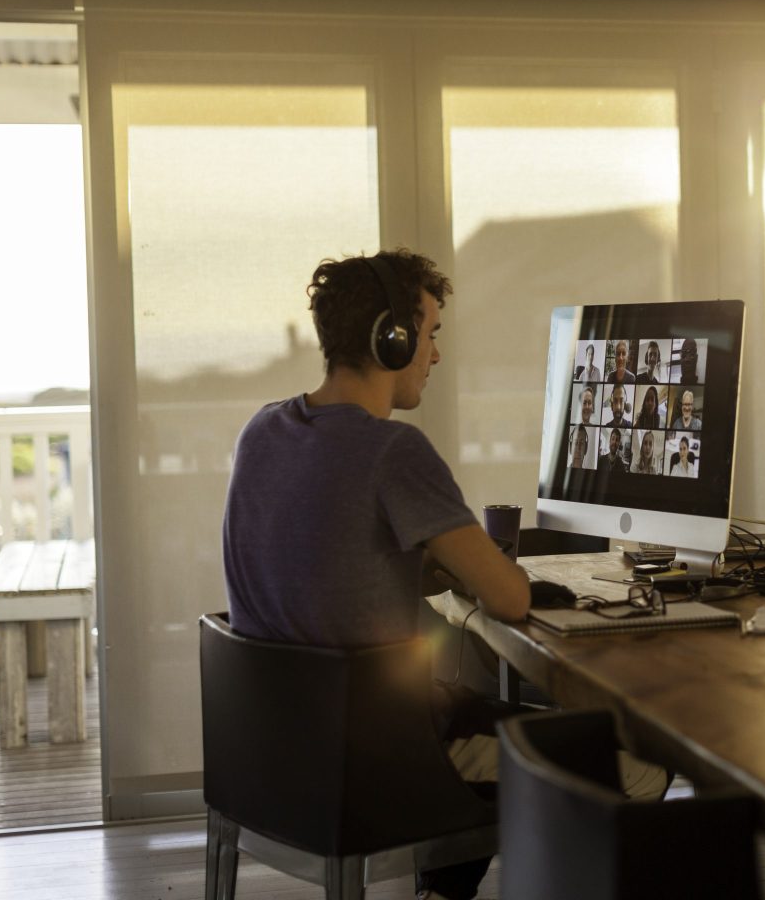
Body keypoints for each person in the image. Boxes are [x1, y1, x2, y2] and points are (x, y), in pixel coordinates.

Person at [221, 251, 659, 900]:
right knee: (641, 767)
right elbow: (508, 597)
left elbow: (320, 557)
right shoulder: (394, 452)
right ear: (391, 340)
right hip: (379, 758)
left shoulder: (262, 431)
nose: (435, 354)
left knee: (462, 701)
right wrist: (482, 566)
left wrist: (421, 560)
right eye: (430, 334)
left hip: (275, 752)